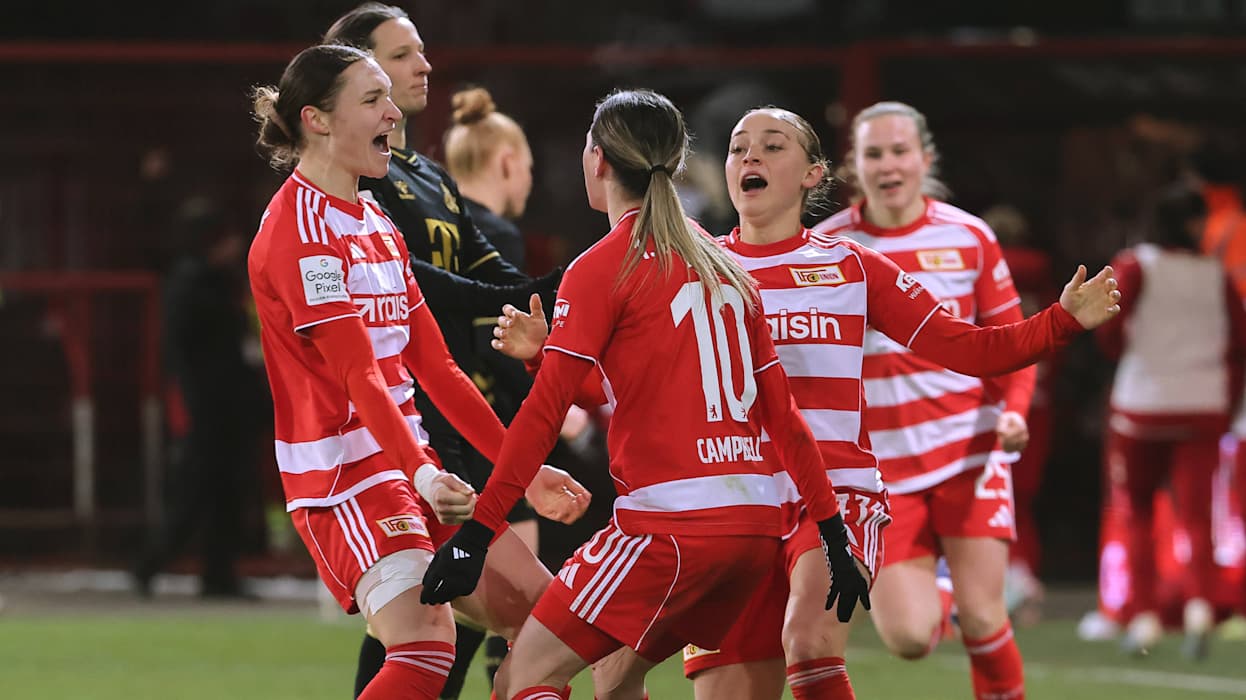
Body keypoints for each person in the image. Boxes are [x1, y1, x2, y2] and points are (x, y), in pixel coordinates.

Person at [494, 106, 1121, 700]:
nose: (749, 158)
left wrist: (1063, 320)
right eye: (738, 148)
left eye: (771, 146)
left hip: (836, 492)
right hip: (735, 508)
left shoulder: (850, 266)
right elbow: (625, 394)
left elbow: (972, 349)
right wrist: (539, 358)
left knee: (809, 644)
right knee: (628, 675)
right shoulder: (696, 266)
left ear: (813, 174)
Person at [418, 89, 871, 700]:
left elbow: (544, 415)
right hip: (754, 531)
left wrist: (477, 536)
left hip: (670, 530)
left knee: (521, 680)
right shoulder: (728, 266)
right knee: (614, 675)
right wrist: (834, 534)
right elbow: (782, 417)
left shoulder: (603, 265)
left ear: (598, 160)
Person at [247, 43, 588, 700]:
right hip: (346, 476)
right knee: (427, 646)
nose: (392, 116)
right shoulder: (300, 229)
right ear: (317, 119)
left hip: (411, 465)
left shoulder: (375, 222)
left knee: (554, 628)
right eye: (372, 100)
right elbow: (358, 376)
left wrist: (523, 467)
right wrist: (424, 472)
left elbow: (437, 368)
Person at [320, 6, 565, 696]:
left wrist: (559, 293)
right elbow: (422, 289)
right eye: (402, 57)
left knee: (442, 628)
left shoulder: (426, 176)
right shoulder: (353, 186)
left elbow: (488, 277)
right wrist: (552, 288)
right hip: (398, 431)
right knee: (449, 628)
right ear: (354, 77)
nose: (423, 66)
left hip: (452, 415)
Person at [810, 101, 1038, 700]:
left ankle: (963, 595)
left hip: (968, 452)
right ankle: (942, 591)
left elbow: (1010, 343)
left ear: (925, 159)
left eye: (900, 150)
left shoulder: (969, 237)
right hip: (880, 474)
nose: (889, 164)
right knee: (909, 638)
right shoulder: (825, 250)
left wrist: (1013, 410)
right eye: (874, 154)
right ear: (854, 167)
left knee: (986, 618)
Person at [1094, 183, 1246, 658]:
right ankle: (1200, 608)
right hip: (1203, 406)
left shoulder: (1135, 264)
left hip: (1142, 406)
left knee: (1136, 509)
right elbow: (1239, 342)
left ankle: (1144, 620)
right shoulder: (1214, 275)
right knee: (1198, 516)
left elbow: (1109, 329)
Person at [134, 196, 265, 599]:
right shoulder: (194, 283)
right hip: (209, 407)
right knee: (199, 491)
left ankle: (216, 573)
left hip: (221, 406)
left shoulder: (205, 280)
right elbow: (195, 349)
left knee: (222, 490)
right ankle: (151, 564)